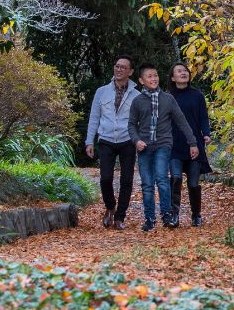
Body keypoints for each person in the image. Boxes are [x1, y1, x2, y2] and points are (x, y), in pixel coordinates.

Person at [127, 63, 197, 231]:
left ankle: (167, 214)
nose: (154, 79)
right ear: (141, 80)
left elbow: (181, 121)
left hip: (163, 145)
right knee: (147, 184)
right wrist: (136, 141)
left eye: (156, 75)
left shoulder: (168, 99)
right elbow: (131, 125)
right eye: (149, 76)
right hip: (144, 148)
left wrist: (192, 142)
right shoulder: (137, 101)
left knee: (162, 178)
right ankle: (150, 218)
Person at [84, 55, 141, 229]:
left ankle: (120, 217)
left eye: (123, 67)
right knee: (106, 177)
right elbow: (94, 117)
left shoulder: (137, 95)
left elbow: (140, 121)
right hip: (106, 139)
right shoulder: (102, 91)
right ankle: (110, 207)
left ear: (130, 72)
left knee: (126, 179)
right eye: (117, 66)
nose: (119, 69)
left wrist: (139, 141)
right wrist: (89, 141)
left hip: (127, 139)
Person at [167, 63, 212, 227]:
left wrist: (206, 133)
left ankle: (196, 215)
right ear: (172, 77)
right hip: (174, 144)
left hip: (194, 144)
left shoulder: (197, 95)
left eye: (185, 70)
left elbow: (203, 118)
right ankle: (174, 215)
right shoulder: (168, 97)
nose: (183, 73)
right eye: (179, 71)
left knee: (193, 183)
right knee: (176, 178)